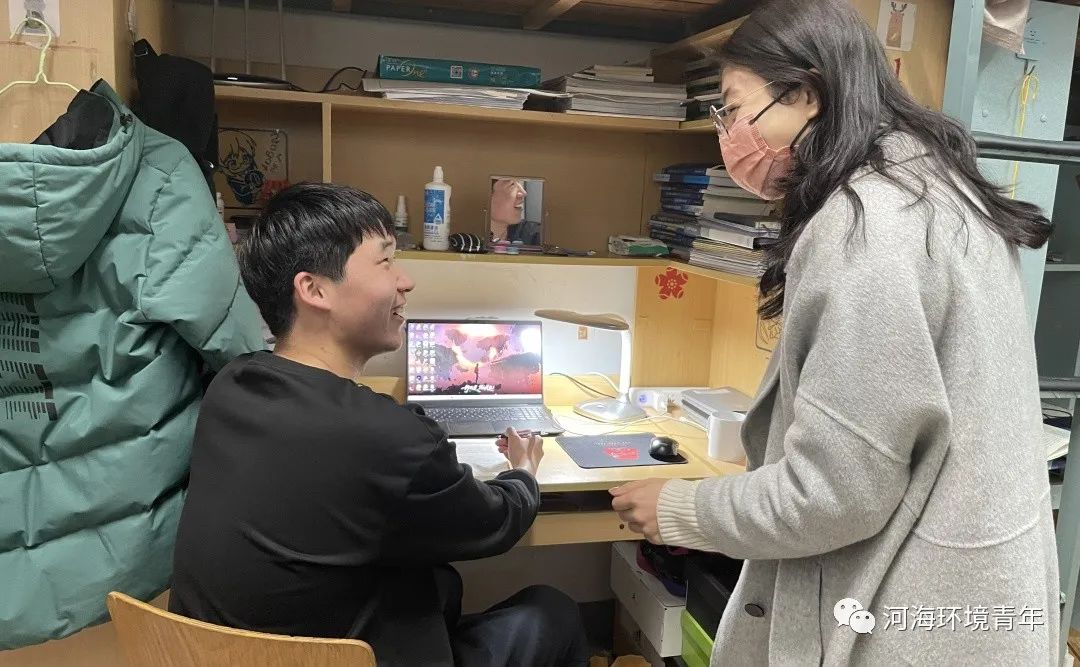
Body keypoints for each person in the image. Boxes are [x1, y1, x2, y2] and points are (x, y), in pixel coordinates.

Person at [609, 0, 1059, 664]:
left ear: (806, 94)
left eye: (733, 109)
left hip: (911, 620)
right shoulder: (934, 188)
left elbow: (833, 494)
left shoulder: (866, 225)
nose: (728, 135)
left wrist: (682, 508)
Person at [168, 183, 589, 667]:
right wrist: (524, 471)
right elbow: (497, 521)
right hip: (339, 656)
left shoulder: (231, 386)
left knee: (441, 583)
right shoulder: (387, 437)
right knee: (551, 610)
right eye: (386, 261)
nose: (405, 281)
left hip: (225, 653)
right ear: (314, 290)